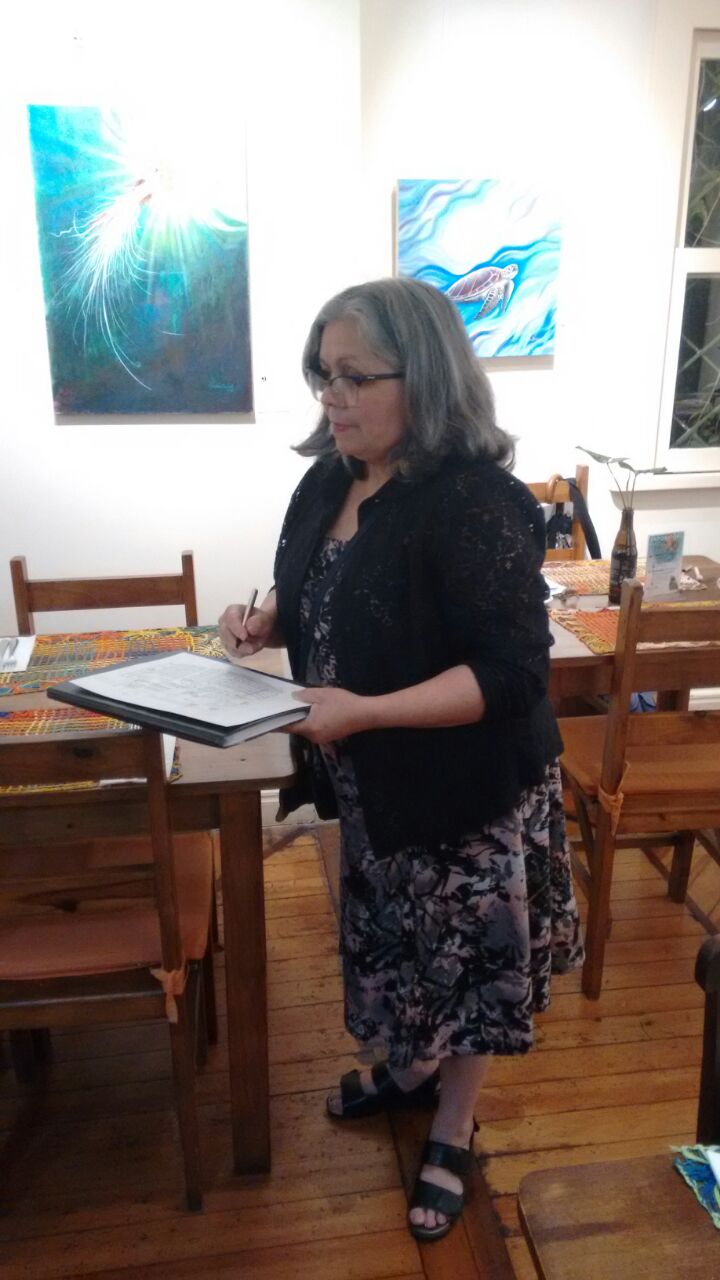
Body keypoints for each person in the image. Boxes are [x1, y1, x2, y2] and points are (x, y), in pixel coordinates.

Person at [219, 277, 583, 1243]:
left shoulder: (477, 502)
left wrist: (367, 711)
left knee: (464, 964)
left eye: (352, 377)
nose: (329, 397)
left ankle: (453, 1129)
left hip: (466, 791)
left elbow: (511, 673)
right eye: (322, 374)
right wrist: (264, 621)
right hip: (372, 782)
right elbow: (320, 590)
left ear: (422, 377)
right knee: (400, 943)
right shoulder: (330, 481)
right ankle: (410, 1071)